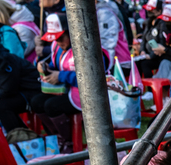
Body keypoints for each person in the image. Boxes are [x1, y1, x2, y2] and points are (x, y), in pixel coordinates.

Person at [31, 13, 111, 152]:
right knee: (36, 102)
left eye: (61, 37)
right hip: (66, 90)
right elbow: (56, 64)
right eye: (54, 38)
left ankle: (69, 143)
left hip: (89, 95)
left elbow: (92, 78)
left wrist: (61, 76)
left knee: (51, 106)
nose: (58, 41)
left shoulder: (89, 48)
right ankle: (55, 139)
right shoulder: (57, 46)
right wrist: (45, 66)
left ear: (73, 32)